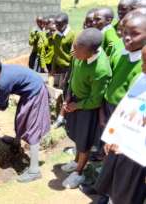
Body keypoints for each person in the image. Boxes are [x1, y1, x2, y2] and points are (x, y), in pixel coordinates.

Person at [95, 12, 146, 204]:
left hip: (136, 149)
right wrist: (113, 135)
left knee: (128, 186)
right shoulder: (138, 72)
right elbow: (127, 105)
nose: (143, 68)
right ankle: (108, 196)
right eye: (124, 32)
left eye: (134, 34)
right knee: (113, 169)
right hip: (123, 129)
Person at [0, 57, 50, 183]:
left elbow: (2, 106)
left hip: (36, 92)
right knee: (21, 119)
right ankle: (16, 143)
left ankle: (34, 171)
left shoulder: (3, 81)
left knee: (31, 128)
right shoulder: (1, 71)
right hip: (28, 92)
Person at [60, 28, 112, 189]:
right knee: (76, 136)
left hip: (87, 108)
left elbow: (96, 100)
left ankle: (79, 173)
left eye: (77, 50)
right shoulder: (79, 53)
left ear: (92, 52)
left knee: (85, 142)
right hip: (75, 101)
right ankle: (76, 162)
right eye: (74, 47)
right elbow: (74, 75)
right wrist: (68, 97)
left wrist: (77, 106)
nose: (73, 52)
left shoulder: (101, 70)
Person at [51, 12, 75, 90]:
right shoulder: (56, 34)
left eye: (60, 25)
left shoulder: (72, 35)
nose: (57, 27)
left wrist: (69, 73)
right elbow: (55, 52)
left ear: (66, 23)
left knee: (63, 88)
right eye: (56, 25)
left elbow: (73, 56)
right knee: (55, 87)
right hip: (58, 66)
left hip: (67, 68)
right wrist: (53, 68)